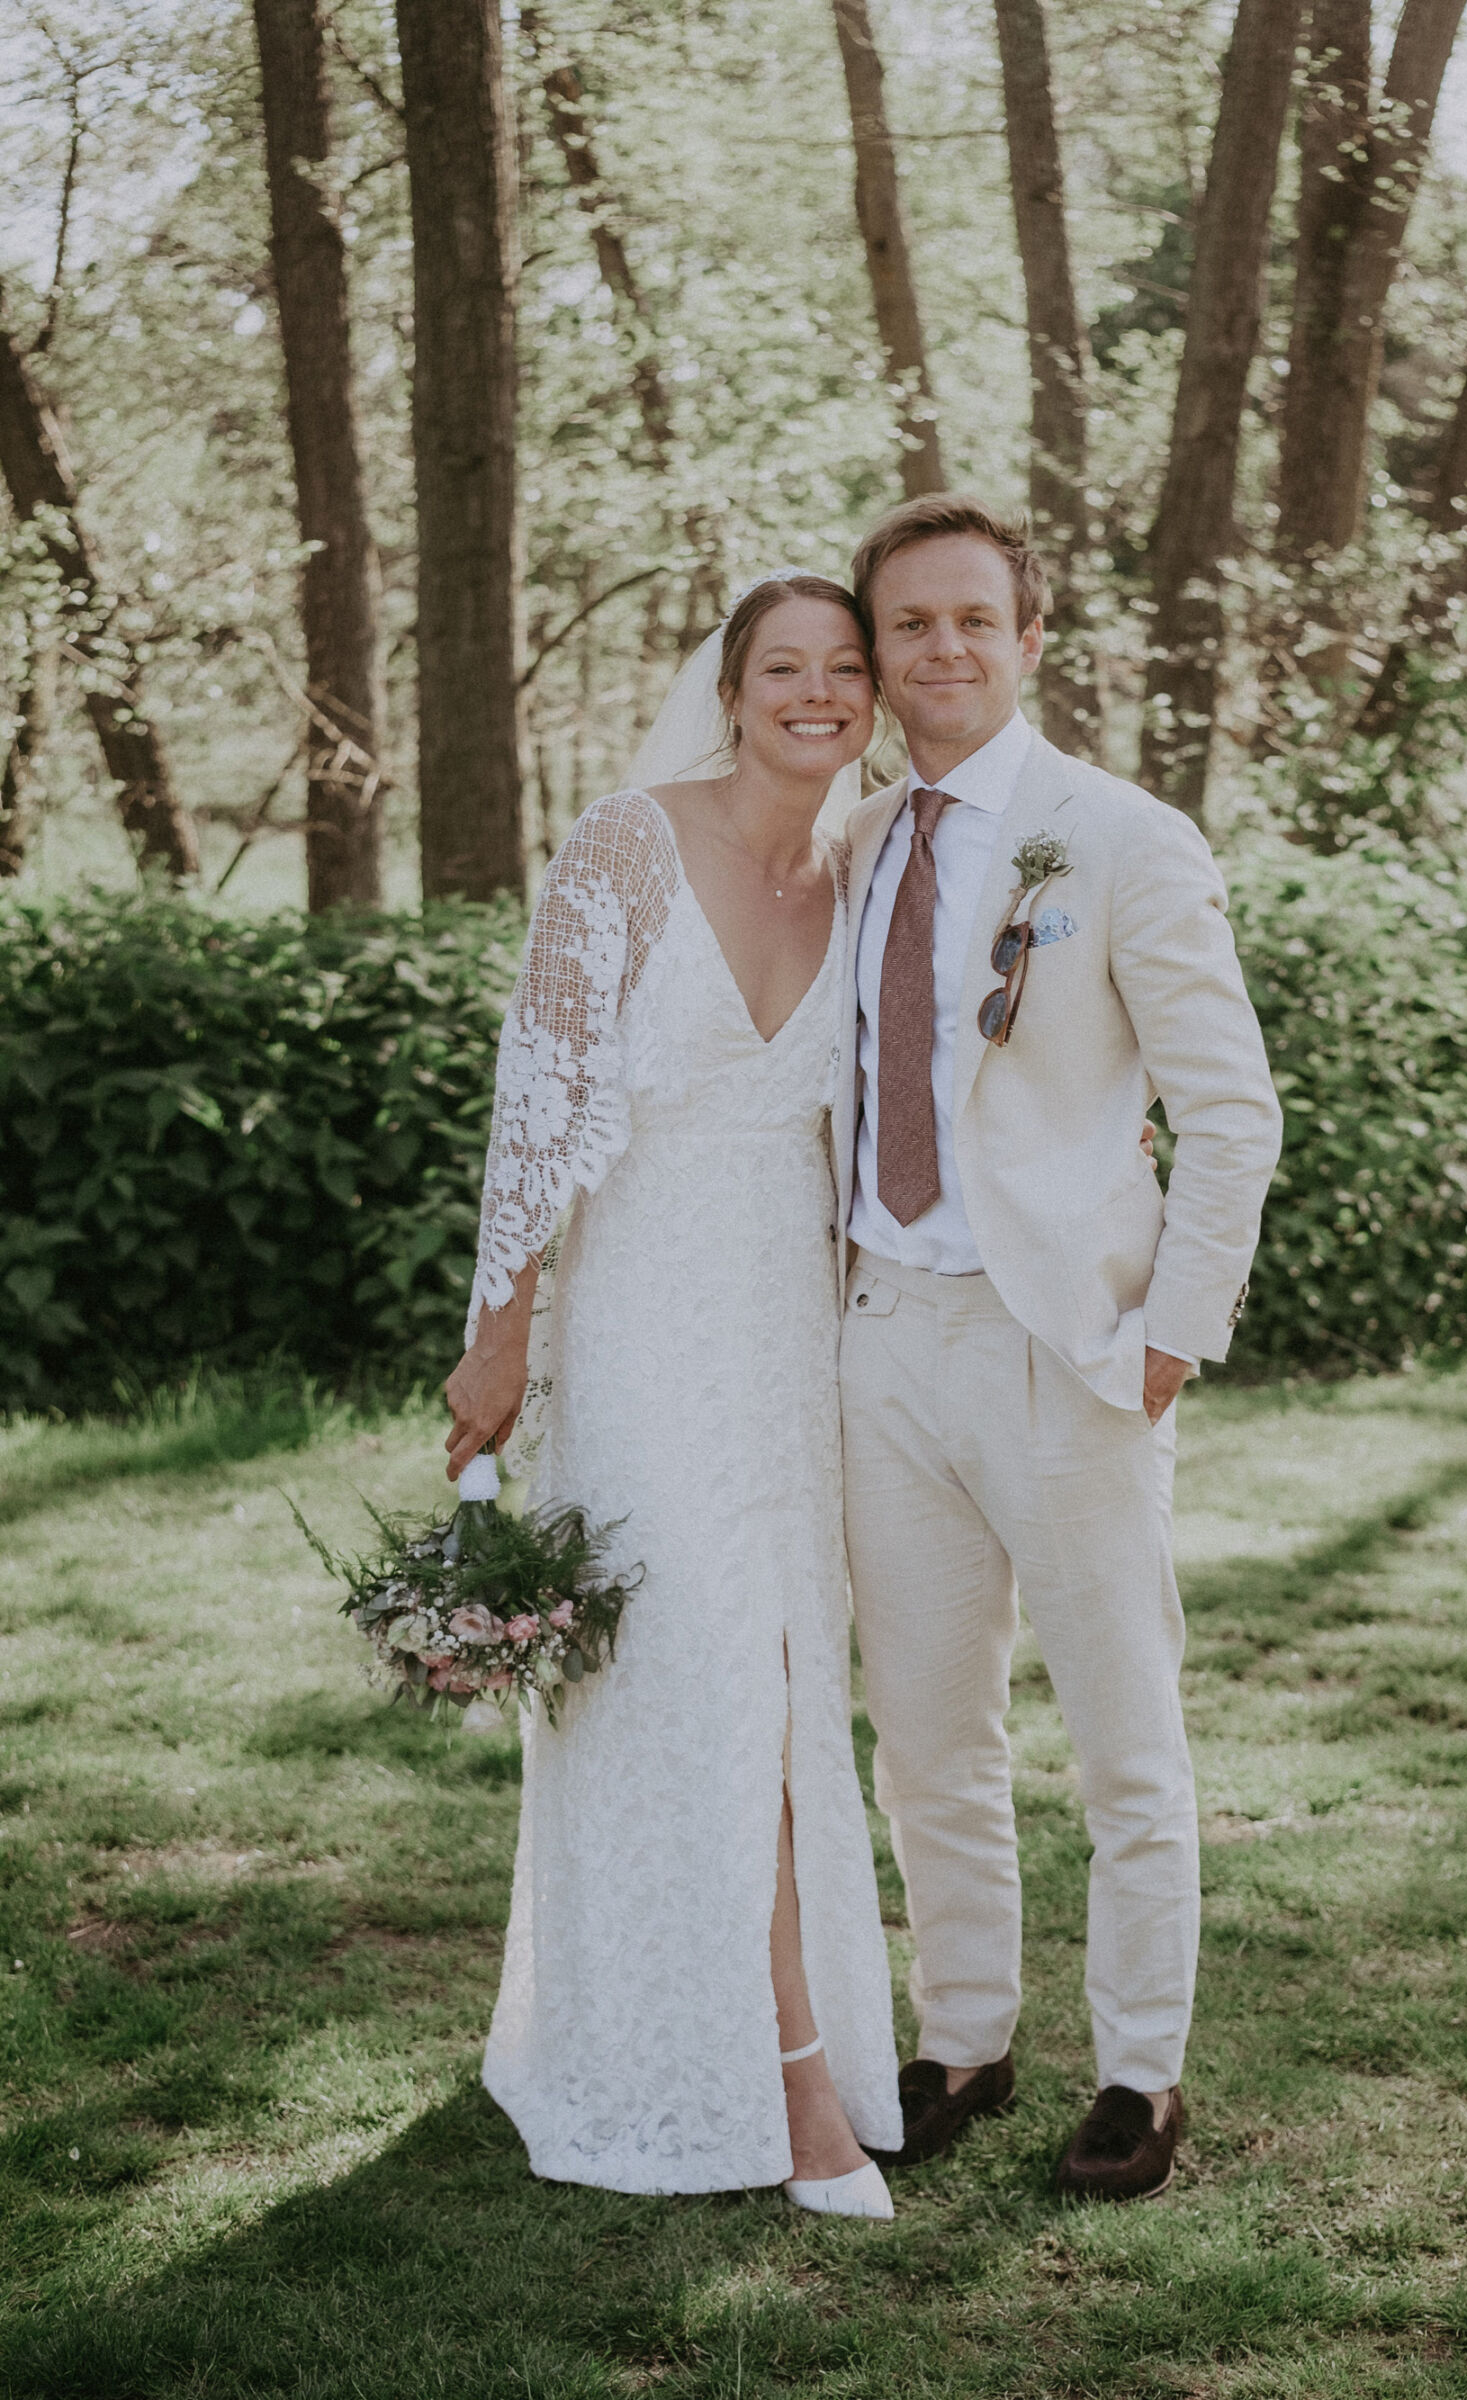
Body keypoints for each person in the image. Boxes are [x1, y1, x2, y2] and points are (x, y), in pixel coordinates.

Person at [834, 496, 1283, 2201]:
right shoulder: (859, 838)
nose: (939, 650)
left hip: (1068, 1353)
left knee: (1120, 1730)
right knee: (927, 1731)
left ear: (1029, 640)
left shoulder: (1119, 835)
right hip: (883, 1340)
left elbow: (1233, 1113)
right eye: (908, 626)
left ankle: (1141, 2071)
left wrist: (1171, 1336)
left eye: (972, 620)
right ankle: (963, 2035)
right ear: (875, 653)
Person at [446, 572, 902, 2216]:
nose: (817, 692)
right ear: (730, 688)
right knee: (692, 1673)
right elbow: (538, 1108)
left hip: (791, 1325)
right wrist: (502, 1338)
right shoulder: (626, 845)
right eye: (784, 666)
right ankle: (787, 2088)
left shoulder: (865, 859)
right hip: (642, 1310)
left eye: (844, 668)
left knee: (783, 1675)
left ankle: (723, 2034)